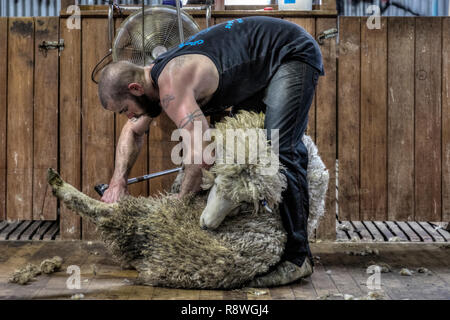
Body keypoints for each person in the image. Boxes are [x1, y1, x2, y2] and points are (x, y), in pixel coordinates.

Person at [97, 16, 324, 287]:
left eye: (125, 109)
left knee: (280, 149)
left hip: (290, 50)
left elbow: (202, 153)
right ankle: (260, 251)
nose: (129, 116)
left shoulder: (171, 85)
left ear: (135, 89)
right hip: (257, 66)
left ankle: (299, 259)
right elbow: (133, 131)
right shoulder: (154, 82)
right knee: (244, 146)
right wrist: (117, 182)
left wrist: (177, 208)